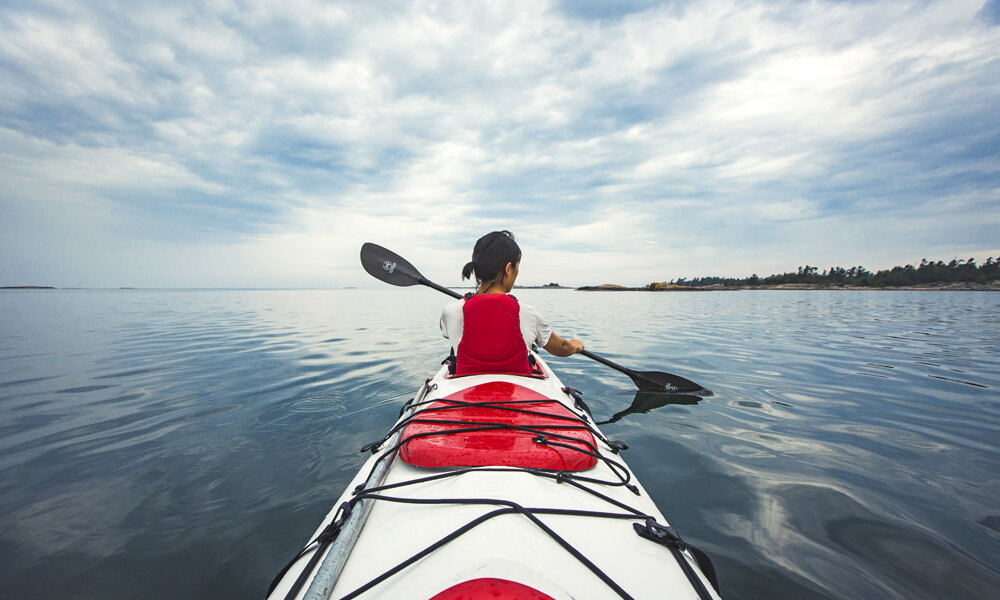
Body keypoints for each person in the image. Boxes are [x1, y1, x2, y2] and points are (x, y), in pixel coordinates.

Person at [440, 230, 584, 375]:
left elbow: (443, 325)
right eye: (517, 266)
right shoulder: (528, 313)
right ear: (509, 269)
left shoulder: (451, 311)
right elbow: (561, 348)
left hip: (466, 390)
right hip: (515, 392)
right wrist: (575, 346)